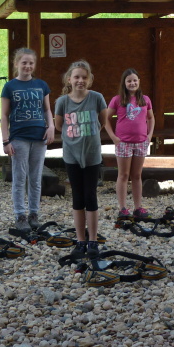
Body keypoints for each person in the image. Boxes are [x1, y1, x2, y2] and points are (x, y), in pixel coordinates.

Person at [54, 60, 107, 259]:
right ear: (69, 79)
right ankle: (80, 240)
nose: (80, 81)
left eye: (84, 77)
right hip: (71, 156)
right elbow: (59, 125)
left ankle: (93, 240)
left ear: (90, 79)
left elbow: (103, 121)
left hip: (92, 155)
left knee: (90, 196)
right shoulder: (62, 102)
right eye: (76, 77)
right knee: (77, 197)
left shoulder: (97, 98)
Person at [1, 48, 55, 232]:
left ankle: (34, 213)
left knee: (35, 178)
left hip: (39, 137)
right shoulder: (10, 87)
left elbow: (47, 109)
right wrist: (5, 140)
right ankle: (20, 215)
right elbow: (4, 115)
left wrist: (51, 126)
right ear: (17, 64)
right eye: (24, 62)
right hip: (19, 138)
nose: (27, 66)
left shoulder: (41, 85)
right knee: (19, 177)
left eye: (31, 63)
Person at [104, 68, 155, 219]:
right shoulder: (117, 100)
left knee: (137, 175)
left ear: (139, 81)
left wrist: (149, 135)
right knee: (123, 174)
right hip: (123, 143)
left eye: (134, 80)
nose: (132, 83)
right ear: (124, 83)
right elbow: (106, 118)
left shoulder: (145, 99)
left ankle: (138, 207)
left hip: (141, 142)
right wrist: (113, 137)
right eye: (129, 81)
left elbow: (151, 118)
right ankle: (123, 208)